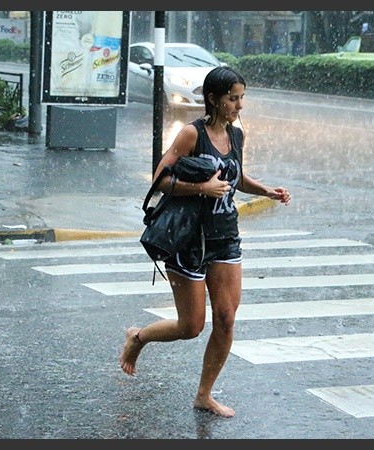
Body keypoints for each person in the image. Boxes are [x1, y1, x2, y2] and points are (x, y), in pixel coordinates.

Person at [119, 66, 291, 418]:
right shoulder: (191, 134)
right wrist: (201, 188)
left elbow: (236, 177)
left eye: (242, 98)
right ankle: (138, 337)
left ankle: (204, 395)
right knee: (191, 327)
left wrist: (267, 191)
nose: (239, 105)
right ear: (213, 99)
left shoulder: (236, 135)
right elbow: (159, 180)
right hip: (189, 240)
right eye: (233, 98)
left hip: (225, 236)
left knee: (225, 319)